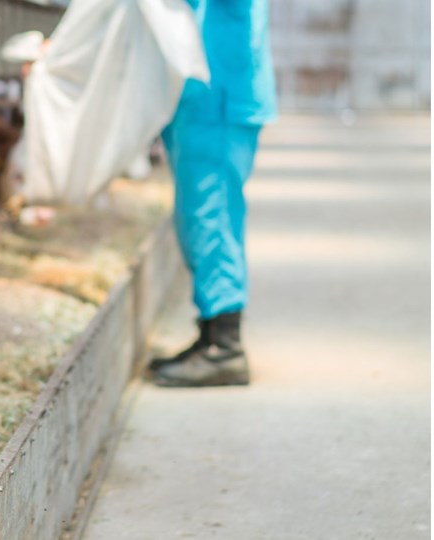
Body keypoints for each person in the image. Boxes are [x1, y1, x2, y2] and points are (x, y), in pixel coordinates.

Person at [149, 0, 278, 387]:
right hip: (204, 96)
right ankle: (209, 335)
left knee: (213, 219)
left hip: (218, 96)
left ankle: (225, 347)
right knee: (197, 221)